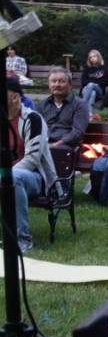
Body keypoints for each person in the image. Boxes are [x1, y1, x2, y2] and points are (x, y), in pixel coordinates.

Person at [6, 78, 58, 254]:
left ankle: (23, 239)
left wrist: (3, 176)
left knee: (13, 178)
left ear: (15, 98)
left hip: (36, 178)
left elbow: (32, 159)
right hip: (5, 176)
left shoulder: (32, 119)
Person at [38, 67, 89, 147]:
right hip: (44, 143)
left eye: (62, 81)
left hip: (67, 145)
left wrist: (56, 144)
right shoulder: (43, 104)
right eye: (53, 81)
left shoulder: (79, 105)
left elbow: (78, 131)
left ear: (70, 85)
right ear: (49, 85)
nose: (57, 85)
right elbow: (36, 127)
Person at [79, 49, 108, 114]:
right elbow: (83, 80)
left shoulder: (104, 69)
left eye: (94, 56)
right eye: (90, 57)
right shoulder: (87, 68)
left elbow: (105, 82)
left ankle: (81, 106)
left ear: (98, 57)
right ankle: (90, 114)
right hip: (86, 89)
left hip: (99, 89)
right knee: (93, 93)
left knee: (91, 84)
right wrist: (94, 81)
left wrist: (93, 82)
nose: (92, 58)